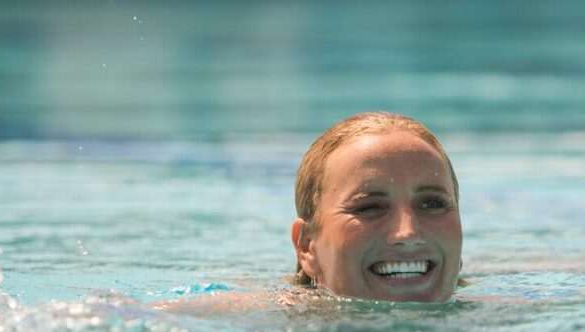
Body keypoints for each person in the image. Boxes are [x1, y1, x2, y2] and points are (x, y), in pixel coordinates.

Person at [154, 112, 462, 314]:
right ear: (306, 247)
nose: (407, 233)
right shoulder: (256, 321)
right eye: (369, 207)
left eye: (432, 204)